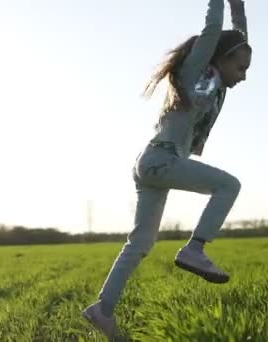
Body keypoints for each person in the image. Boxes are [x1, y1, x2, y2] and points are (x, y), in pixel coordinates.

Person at [82, 0, 252, 339]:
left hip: (151, 162)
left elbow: (237, 37)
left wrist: (240, 7)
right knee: (228, 186)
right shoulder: (196, 70)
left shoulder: (218, 83)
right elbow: (214, 31)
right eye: (241, 68)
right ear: (220, 58)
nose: (244, 76)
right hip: (162, 160)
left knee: (140, 243)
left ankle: (102, 309)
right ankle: (195, 249)